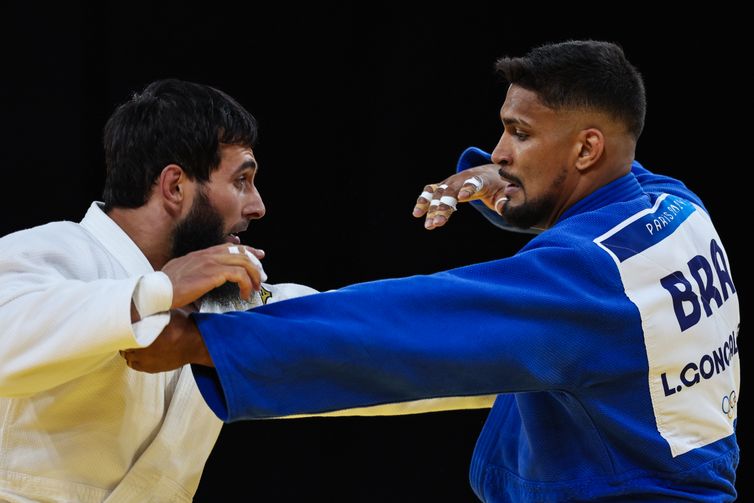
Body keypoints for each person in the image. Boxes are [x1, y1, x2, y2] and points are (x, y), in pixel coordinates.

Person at [125, 40, 740, 501]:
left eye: (518, 134)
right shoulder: (677, 208)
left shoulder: (586, 280)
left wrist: (210, 340)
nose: (498, 150)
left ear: (585, 149)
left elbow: (405, 325)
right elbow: (601, 196)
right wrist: (496, 181)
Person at [0, 78, 320, 501]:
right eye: (242, 180)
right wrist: (157, 291)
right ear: (174, 187)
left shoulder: (228, 303)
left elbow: (355, 341)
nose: (257, 205)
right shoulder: (49, 251)